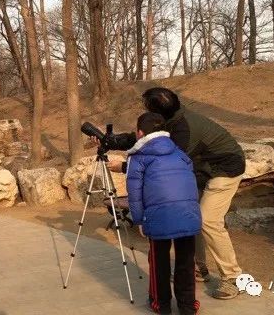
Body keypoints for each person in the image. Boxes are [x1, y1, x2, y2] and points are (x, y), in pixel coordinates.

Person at [105, 87, 246, 300]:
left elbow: (165, 163)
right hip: (203, 168)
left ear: (158, 112)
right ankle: (198, 268)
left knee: (208, 220)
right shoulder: (173, 117)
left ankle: (233, 277)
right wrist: (112, 140)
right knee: (192, 214)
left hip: (225, 169)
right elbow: (149, 138)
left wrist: (125, 166)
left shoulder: (184, 130)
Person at [126, 112, 201, 315]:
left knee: (159, 261)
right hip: (188, 214)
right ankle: (187, 306)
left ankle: (162, 304)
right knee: (186, 261)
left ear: (140, 133)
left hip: (159, 216)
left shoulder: (138, 157)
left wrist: (139, 220)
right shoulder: (180, 153)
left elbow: (134, 193)